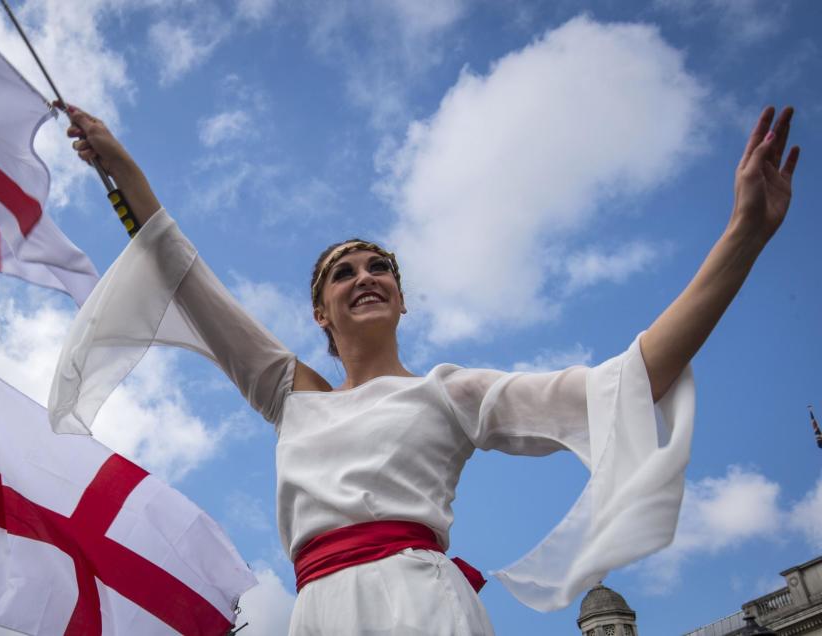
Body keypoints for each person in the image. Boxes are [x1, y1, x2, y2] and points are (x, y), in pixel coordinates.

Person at [49, 104, 799, 634]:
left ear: (402, 299)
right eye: (343, 272)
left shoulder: (450, 392)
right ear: (321, 314)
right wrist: (125, 171)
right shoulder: (293, 393)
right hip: (318, 614)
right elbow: (188, 280)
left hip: (420, 605)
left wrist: (744, 236)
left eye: (381, 267)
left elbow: (627, 381)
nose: (365, 275)